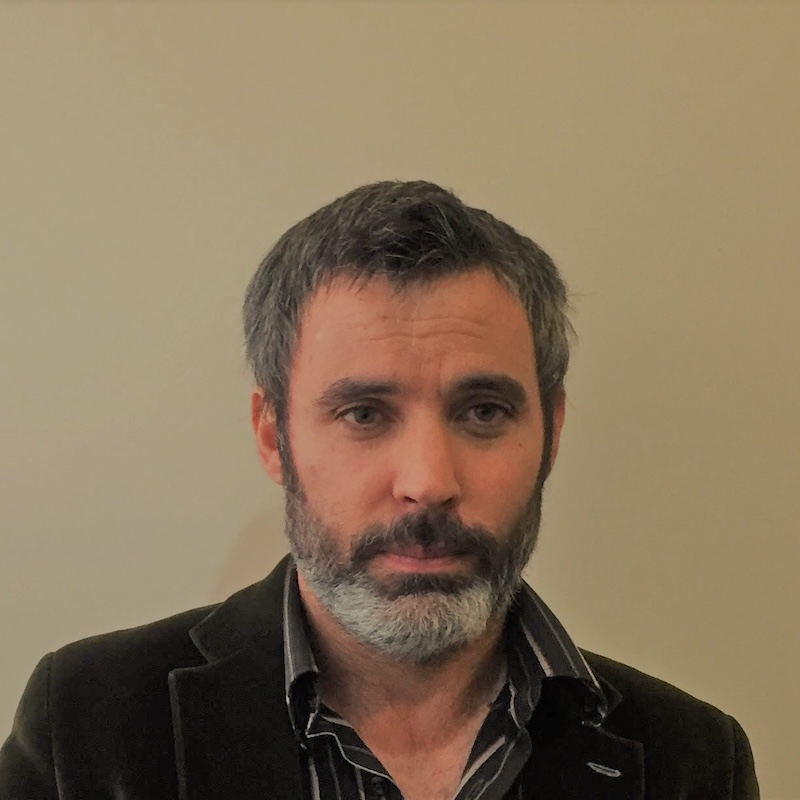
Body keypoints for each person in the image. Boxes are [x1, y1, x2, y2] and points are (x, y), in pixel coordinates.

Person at [0, 181, 759, 799]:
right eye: (363, 413)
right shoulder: (87, 725)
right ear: (273, 436)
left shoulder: (693, 761)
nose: (428, 483)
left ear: (551, 432)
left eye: (483, 412)